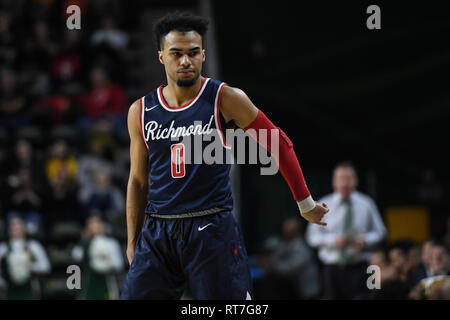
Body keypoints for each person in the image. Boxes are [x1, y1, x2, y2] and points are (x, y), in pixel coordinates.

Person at [120, 11, 329, 300]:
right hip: (158, 231)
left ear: (203, 55)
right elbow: (137, 181)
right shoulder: (140, 111)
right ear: (161, 57)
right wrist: (133, 240)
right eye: (176, 53)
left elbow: (278, 142)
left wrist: (304, 202)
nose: (185, 61)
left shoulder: (225, 98)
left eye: (193, 53)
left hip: (212, 229)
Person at [306, 161, 386, 299]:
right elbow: (312, 236)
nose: (345, 183)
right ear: (334, 182)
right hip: (332, 268)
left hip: (359, 266)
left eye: (348, 179)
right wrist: (333, 241)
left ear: (355, 181)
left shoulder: (366, 203)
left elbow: (380, 232)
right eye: (341, 179)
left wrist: (365, 240)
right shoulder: (323, 204)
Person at [72, 215, 124, 300]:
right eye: (92, 224)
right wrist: (84, 240)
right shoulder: (86, 242)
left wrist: (105, 263)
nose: (95, 227)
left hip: (106, 281)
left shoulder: (111, 242)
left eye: (97, 224)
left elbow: (118, 264)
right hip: (89, 282)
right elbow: (76, 256)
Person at [0, 216, 51, 299]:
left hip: (29, 289)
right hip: (9, 290)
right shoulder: (3, 248)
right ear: (9, 230)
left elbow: (46, 266)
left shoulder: (33, 246)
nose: (17, 230)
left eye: (19, 227)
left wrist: (32, 266)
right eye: (14, 227)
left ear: (24, 229)